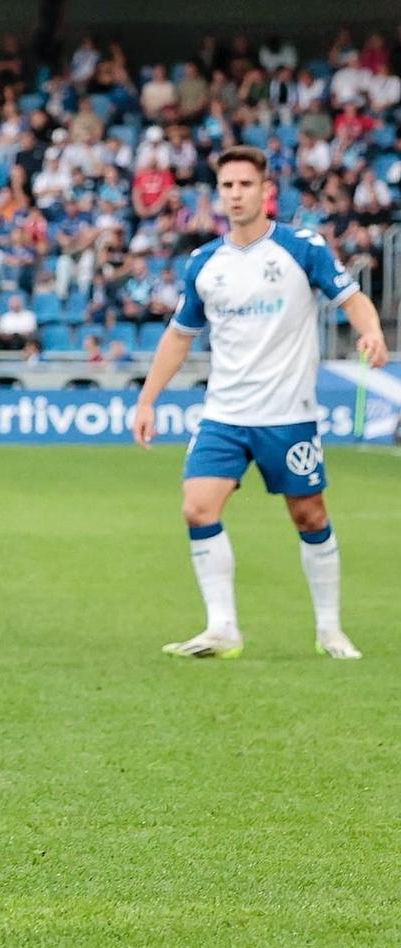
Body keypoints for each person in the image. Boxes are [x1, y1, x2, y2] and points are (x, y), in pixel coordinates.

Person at [131, 145, 390, 660]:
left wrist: (373, 331)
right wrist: (147, 400)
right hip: (225, 414)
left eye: (245, 185)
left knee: (310, 516)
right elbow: (180, 336)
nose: (236, 194)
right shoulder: (204, 263)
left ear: (265, 191)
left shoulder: (301, 247)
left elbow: (351, 298)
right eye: (227, 186)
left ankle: (329, 630)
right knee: (197, 506)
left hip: (287, 415)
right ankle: (222, 628)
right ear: (218, 193)